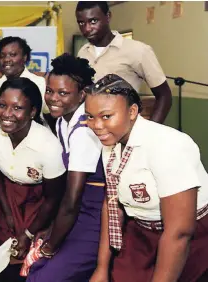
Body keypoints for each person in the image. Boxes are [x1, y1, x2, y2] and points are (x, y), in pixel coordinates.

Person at [85, 74, 208, 282]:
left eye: (106, 116)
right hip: (142, 229)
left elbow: (179, 232)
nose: (96, 125)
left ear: (132, 112)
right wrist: (102, 268)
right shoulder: (112, 141)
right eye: (89, 116)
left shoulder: (167, 145)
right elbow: (112, 201)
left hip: (190, 234)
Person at [26, 54, 104, 281]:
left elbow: (72, 200)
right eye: (50, 91)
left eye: (63, 93)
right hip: (74, 210)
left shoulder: (84, 130)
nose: (53, 98)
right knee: (35, 269)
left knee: (45, 276)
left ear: (82, 94)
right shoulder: (62, 121)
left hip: (92, 214)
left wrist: (50, 246)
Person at [0, 78, 66, 280]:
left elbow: (53, 198)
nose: (7, 114)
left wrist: (28, 232)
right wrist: (6, 211)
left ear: (32, 112)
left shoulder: (48, 146)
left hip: (36, 202)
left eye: (17, 108)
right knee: (3, 256)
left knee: (27, 256)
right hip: (2, 194)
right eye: (2, 105)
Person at [76, 1, 172, 124]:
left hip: (123, 131)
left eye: (93, 21)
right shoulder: (82, 53)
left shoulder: (138, 50)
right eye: (81, 23)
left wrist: (150, 132)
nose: (87, 28)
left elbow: (164, 96)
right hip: (90, 129)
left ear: (108, 16)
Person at [0, 36, 47, 121]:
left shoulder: (39, 83)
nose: (6, 59)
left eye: (12, 55)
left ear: (24, 57)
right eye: (2, 55)